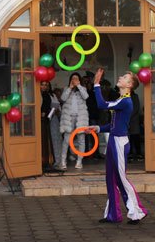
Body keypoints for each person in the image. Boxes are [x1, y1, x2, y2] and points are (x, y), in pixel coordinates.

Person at [87, 68, 148, 225]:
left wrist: (96, 84)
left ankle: (137, 212)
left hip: (120, 142)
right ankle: (113, 214)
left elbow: (101, 104)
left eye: (124, 77)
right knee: (110, 179)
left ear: (129, 85)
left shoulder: (126, 101)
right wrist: (98, 128)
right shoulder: (121, 100)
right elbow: (114, 125)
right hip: (114, 141)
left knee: (121, 179)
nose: (120, 77)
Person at [59, 72, 89, 169]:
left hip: (80, 117)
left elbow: (86, 96)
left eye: (76, 78)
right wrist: (70, 88)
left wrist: (79, 86)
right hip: (69, 117)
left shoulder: (83, 89)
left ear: (79, 80)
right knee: (66, 140)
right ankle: (63, 161)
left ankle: (79, 161)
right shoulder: (66, 89)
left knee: (81, 140)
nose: (74, 80)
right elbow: (63, 98)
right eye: (73, 78)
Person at [41, 81, 63, 169]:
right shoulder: (38, 94)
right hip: (43, 120)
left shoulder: (51, 95)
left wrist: (57, 110)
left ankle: (57, 160)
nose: (44, 87)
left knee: (55, 139)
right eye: (42, 85)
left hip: (53, 118)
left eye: (46, 85)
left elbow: (58, 106)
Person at [128, 86, 143, 161]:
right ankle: (130, 153)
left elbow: (136, 107)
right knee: (129, 138)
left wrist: (129, 115)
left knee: (136, 137)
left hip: (134, 119)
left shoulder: (135, 96)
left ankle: (138, 153)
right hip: (127, 120)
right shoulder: (124, 96)